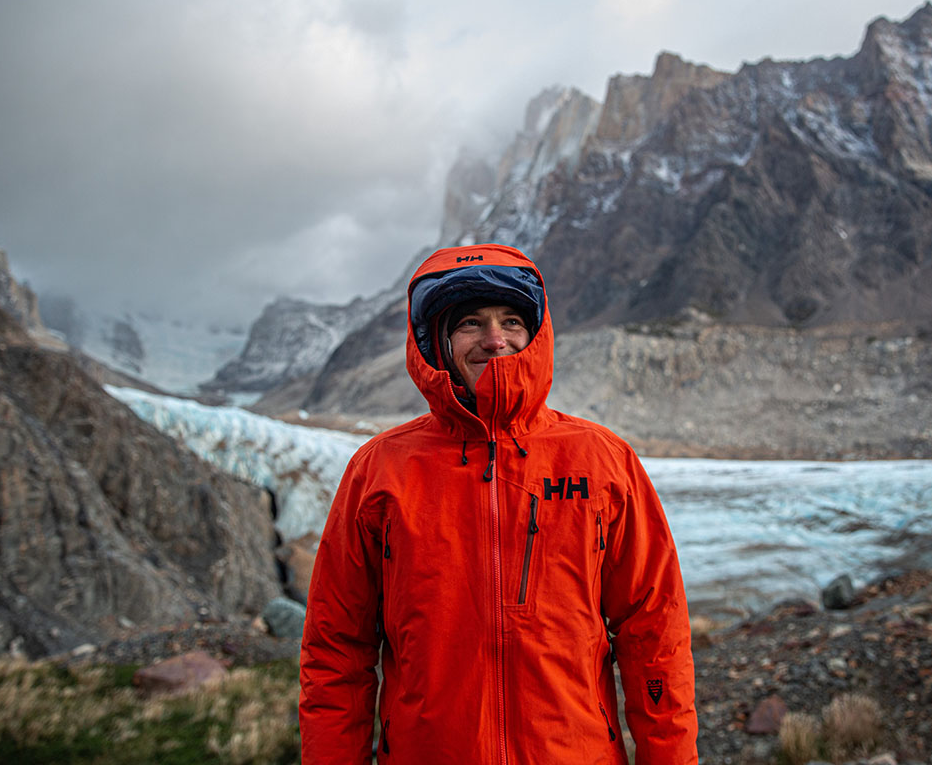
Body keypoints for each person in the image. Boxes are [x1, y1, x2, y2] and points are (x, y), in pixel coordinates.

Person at [299, 243, 698, 764]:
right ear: (436, 342)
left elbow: (656, 635)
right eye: (470, 322)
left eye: (511, 320)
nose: (494, 339)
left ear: (535, 335)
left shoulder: (602, 461)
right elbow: (337, 650)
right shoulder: (380, 471)